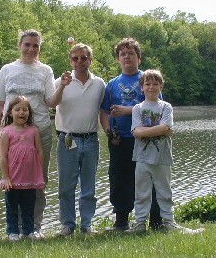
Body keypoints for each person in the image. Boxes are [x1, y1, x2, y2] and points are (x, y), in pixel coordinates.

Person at [0, 29, 71, 238]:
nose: (31, 49)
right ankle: (14, 229)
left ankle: (34, 227)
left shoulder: (45, 70)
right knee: (12, 181)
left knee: (37, 180)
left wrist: (61, 86)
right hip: (10, 135)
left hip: (39, 132)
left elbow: (51, 102)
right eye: (27, 44)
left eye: (35, 45)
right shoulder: (7, 69)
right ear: (19, 45)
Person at [125, 70, 203, 234]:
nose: (151, 87)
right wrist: (160, 130)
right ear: (142, 88)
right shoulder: (137, 109)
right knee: (141, 193)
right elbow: (137, 132)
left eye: (155, 84)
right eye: (147, 84)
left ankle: (169, 222)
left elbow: (165, 128)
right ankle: (139, 224)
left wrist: (155, 130)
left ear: (161, 87)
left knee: (165, 192)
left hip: (162, 158)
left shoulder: (166, 107)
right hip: (142, 158)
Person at [99, 37, 162, 231]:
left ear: (139, 58)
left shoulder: (148, 80)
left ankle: (156, 221)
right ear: (118, 59)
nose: (127, 57)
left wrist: (126, 110)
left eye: (131, 53)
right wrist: (109, 132)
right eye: (123, 54)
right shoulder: (111, 84)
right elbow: (103, 112)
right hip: (120, 140)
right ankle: (121, 222)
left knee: (149, 179)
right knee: (120, 180)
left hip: (146, 140)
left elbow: (156, 108)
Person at [54, 43, 105, 236]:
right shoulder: (61, 81)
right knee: (66, 186)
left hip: (91, 140)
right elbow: (51, 103)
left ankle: (86, 225)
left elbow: (104, 110)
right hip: (67, 140)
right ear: (70, 61)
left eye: (83, 57)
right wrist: (62, 86)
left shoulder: (99, 84)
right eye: (75, 58)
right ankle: (67, 225)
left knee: (89, 186)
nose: (79, 62)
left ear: (90, 60)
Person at [0, 96, 45, 241]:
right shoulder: (6, 132)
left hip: (30, 178)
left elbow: (40, 152)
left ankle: (29, 231)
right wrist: (5, 177)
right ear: (10, 112)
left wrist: (40, 173)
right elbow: (3, 157)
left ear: (29, 112)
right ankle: (12, 232)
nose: (21, 113)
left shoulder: (33, 131)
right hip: (12, 179)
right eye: (17, 109)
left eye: (25, 109)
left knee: (28, 207)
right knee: (12, 207)